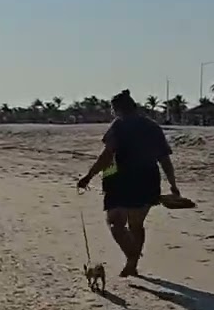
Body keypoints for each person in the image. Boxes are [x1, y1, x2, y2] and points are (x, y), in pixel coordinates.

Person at [77, 90, 180, 277]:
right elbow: (164, 159)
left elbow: (107, 155)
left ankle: (132, 258)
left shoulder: (119, 126)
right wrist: (173, 184)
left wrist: (89, 176)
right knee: (135, 224)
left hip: (120, 180)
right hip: (147, 179)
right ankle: (133, 259)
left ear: (117, 109)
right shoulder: (152, 127)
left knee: (116, 223)